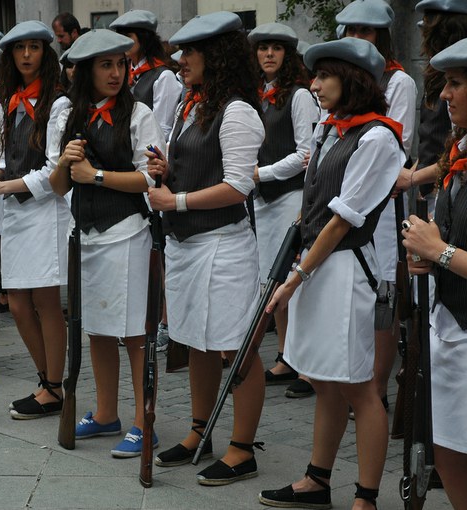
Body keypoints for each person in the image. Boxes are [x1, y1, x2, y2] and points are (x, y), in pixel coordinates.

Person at [258, 38, 405, 510]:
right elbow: (315, 203)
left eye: (324, 76)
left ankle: (366, 497)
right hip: (317, 264)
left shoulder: (377, 137)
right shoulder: (331, 128)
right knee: (325, 379)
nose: (315, 85)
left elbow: (343, 220)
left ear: (352, 79)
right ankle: (316, 480)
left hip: (346, 269)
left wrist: (294, 278)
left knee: (360, 386)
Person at [145, 11, 266, 485]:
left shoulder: (237, 111)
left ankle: (243, 448)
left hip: (223, 244)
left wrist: (174, 199)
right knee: (195, 339)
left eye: (191, 51)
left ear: (217, 56)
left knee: (235, 347)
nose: (181, 59)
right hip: (187, 244)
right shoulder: (190, 104)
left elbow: (237, 186)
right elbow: (195, 165)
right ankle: (201, 430)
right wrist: (166, 170)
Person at [48, 29, 165, 457]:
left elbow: (150, 178)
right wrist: (65, 163)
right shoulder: (69, 114)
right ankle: (105, 413)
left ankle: (144, 423)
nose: (116, 73)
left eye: (120, 64)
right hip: (86, 234)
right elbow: (59, 187)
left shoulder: (139, 114)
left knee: (134, 333)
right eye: (105, 65)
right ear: (85, 72)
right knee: (95, 328)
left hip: (127, 232)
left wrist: (95, 176)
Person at [402, 32, 467, 510]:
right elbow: (453, 239)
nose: (444, 94)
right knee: (447, 452)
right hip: (450, 328)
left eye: (455, 83)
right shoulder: (461, 152)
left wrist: (439, 251)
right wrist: (426, 254)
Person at [0, 21, 70, 419]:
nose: (27, 54)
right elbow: (8, 157)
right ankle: (46, 380)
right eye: (19, 48)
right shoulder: (12, 99)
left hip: (45, 212)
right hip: (16, 210)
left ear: (46, 53)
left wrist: (4, 186)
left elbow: (55, 170)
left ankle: (54, 387)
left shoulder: (58, 103)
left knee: (45, 302)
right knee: (16, 302)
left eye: (34, 47)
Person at [335, 0, 420, 416]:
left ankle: (378, 388)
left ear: (381, 37)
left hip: (383, 205)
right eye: (351, 31)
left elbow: (396, 145)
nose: (357, 38)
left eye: (365, 32)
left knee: (383, 294)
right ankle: (355, 381)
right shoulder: (341, 78)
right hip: (345, 198)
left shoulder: (398, 81)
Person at [247, 22, 319, 398]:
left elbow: (306, 153)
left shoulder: (299, 95)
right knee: (272, 278)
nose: (269, 54)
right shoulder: (255, 94)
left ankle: (307, 367)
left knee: (295, 278)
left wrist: (263, 173)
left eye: (276, 48)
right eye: (263, 48)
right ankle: (286, 356)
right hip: (262, 200)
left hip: (290, 197)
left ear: (287, 55)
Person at [395, 0, 467, 201]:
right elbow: (434, 137)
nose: (445, 93)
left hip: (460, 188)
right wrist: (417, 171)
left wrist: (414, 178)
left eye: (430, 33)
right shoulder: (437, 74)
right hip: (440, 186)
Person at [110, 9, 183, 140]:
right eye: (120, 37)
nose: (123, 42)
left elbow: (162, 129)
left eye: (128, 36)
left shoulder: (164, 76)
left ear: (144, 38)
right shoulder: (122, 73)